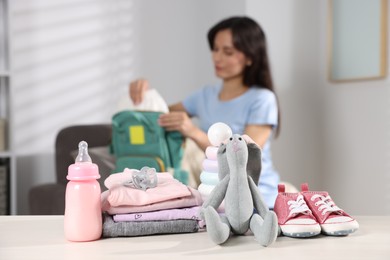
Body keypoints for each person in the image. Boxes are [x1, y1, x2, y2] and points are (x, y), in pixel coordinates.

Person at [129, 16, 281, 209]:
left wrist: (192, 131)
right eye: (215, 49)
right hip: (216, 194)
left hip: (258, 194)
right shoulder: (204, 96)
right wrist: (145, 92)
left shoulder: (262, 99)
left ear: (250, 57)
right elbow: (157, 114)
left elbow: (245, 155)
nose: (217, 58)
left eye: (228, 52)